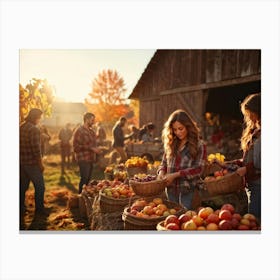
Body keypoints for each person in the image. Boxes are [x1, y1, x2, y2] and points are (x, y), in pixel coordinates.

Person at [157, 109, 207, 209]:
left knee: (186, 219)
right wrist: (161, 173)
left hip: (188, 191)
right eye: (175, 130)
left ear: (188, 127)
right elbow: (164, 163)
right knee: (172, 219)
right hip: (171, 190)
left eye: (181, 128)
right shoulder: (171, 143)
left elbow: (199, 169)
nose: (178, 132)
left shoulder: (199, 145)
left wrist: (176, 175)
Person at [235, 93, 261, 221]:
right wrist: (230, 164)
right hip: (252, 184)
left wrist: (245, 169)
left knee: (255, 221)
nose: (248, 116)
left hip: (260, 184)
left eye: (249, 112)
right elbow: (250, 159)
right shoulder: (254, 130)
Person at [20, 108, 47, 220]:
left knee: (22, 187)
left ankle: (20, 208)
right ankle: (39, 210)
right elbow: (36, 150)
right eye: (40, 117)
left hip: (21, 162)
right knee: (40, 186)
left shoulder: (21, 127)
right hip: (32, 163)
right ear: (36, 117)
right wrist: (40, 165)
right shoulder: (34, 130)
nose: (40, 120)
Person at [73, 113, 101, 194]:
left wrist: (97, 149)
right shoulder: (79, 130)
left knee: (88, 180)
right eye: (92, 120)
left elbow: (93, 144)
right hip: (83, 158)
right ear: (87, 119)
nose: (93, 122)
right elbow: (75, 147)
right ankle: (80, 197)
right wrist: (91, 148)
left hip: (91, 158)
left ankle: (84, 198)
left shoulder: (91, 131)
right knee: (84, 179)